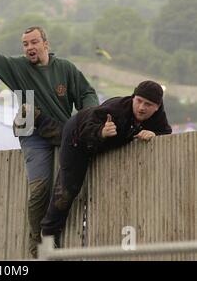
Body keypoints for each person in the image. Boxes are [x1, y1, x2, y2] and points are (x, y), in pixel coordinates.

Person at [0, 26, 99, 258]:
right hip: (32, 131)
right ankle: (38, 242)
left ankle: (60, 234)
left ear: (46, 44)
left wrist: (89, 115)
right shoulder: (19, 67)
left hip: (60, 129)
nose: (29, 47)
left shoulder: (65, 69)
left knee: (69, 185)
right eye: (25, 44)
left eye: (34, 42)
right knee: (39, 189)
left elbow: (86, 93)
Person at [40, 80, 172, 247]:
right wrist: (100, 132)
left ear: (157, 107)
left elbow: (166, 133)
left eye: (148, 104)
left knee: (56, 133)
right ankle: (48, 235)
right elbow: (85, 130)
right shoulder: (116, 109)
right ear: (133, 98)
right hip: (78, 135)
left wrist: (154, 134)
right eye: (138, 101)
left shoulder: (158, 117)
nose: (141, 107)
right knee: (68, 189)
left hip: (102, 145)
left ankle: (42, 122)